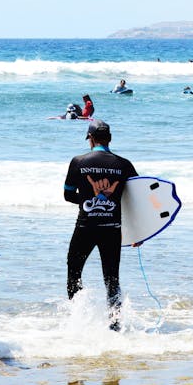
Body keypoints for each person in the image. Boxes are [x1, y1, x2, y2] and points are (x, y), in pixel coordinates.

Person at [63, 119, 138, 331]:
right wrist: (139, 233)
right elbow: (137, 200)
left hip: (85, 228)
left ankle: (78, 320)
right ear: (110, 138)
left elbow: (68, 195)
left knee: (74, 272)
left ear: (91, 139)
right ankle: (115, 326)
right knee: (112, 278)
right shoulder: (124, 164)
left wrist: (89, 201)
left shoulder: (78, 161)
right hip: (112, 230)